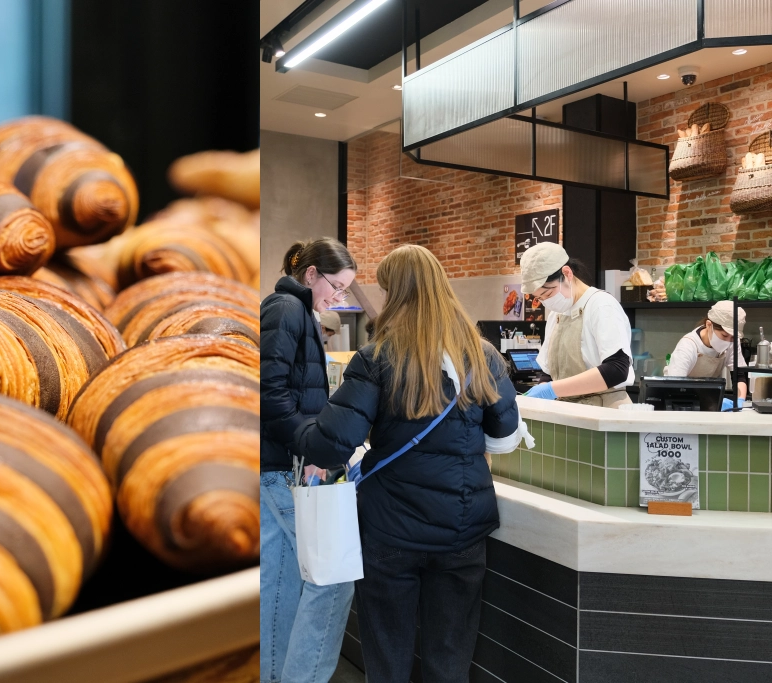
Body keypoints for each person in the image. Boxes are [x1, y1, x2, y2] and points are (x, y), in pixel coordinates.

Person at [294, 245, 526, 683]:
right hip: (462, 531)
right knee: (449, 655)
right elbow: (505, 439)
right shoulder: (483, 356)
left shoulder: (377, 357)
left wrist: (294, 426)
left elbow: (330, 446)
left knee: (388, 656)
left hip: (390, 531)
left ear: (396, 293)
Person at [260, 237, 357, 683]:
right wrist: (311, 443)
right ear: (312, 275)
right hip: (286, 469)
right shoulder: (286, 310)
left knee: (280, 583)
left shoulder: (296, 310)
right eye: (335, 287)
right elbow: (270, 393)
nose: (338, 298)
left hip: (278, 467)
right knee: (332, 579)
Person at [520, 243, 634, 407]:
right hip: (570, 410)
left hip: (604, 412)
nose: (546, 302)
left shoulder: (601, 305)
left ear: (567, 273)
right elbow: (548, 373)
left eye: (548, 293)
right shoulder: (556, 315)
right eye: (540, 298)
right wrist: (541, 390)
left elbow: (617, 369)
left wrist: (552, 390)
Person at [667, 301, 748, 410]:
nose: (729, 342)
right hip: (682, 402)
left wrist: (739, 401)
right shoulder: (688, 346)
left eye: (733, 338)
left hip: (709, 397)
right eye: (724, 335)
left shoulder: (732, 341)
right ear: (709, 325)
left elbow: (739, 376)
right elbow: (674, 387)